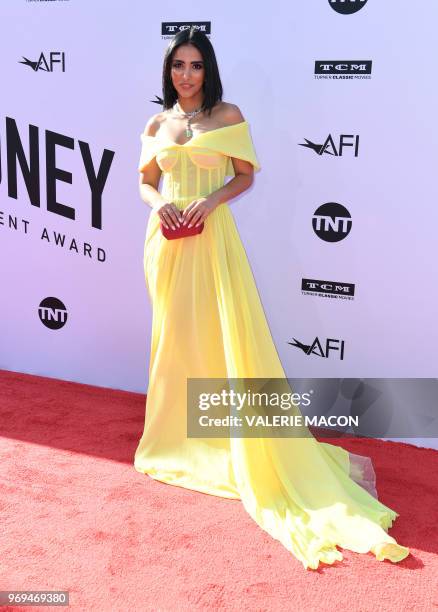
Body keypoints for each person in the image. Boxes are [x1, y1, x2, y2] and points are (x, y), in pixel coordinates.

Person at [134, 27, 410, 570]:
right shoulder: (156, 123)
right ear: (168, 72)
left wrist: (208, 203)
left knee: (228, 338)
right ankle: (174, 441)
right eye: (177, 66)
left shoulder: (228, 115)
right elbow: (145, 181)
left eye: (194, 65)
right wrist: (157, 204)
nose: (185, 75)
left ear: (208, 70)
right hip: (166, 247)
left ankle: (235, 444)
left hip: (212, 241)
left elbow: (244, 177)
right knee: (175, 340)